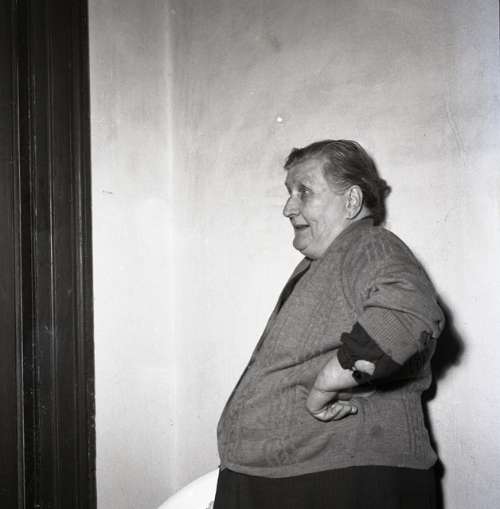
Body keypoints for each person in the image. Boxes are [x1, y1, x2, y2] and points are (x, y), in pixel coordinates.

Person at [214, 140, 445, 509]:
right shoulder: (330, 260)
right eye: (289, 193)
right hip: (296, 477)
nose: (288, 208)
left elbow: (408, 314)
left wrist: (325, 385)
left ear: (351, 201)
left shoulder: (368, 244)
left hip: (336, 479)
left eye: (304, 191)